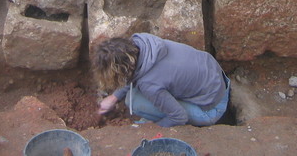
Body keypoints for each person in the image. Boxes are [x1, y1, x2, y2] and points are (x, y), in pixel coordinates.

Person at [92, 33, 230, 127]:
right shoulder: (144, 42)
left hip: (211, 109)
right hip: (217, 79)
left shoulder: (149, 85)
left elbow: (179, 117)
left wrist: (154, 129)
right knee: (140, 90)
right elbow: (137, 71)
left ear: (121, 71)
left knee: (133, 101)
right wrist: (114, 97)